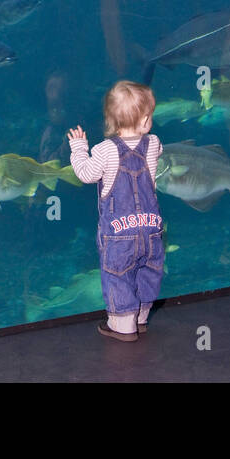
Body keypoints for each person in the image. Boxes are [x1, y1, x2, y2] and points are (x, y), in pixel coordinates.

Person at [68, 80, 164, 341]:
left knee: (119, 276)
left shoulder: (103, 150)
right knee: (148, 272)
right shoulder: (153, 143)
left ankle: (124, 327)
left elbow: (86, 174)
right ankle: (141, 318)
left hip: (119, 234)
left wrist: (78, 149)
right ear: (145, 121)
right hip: (151, 229)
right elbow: (154, 153)